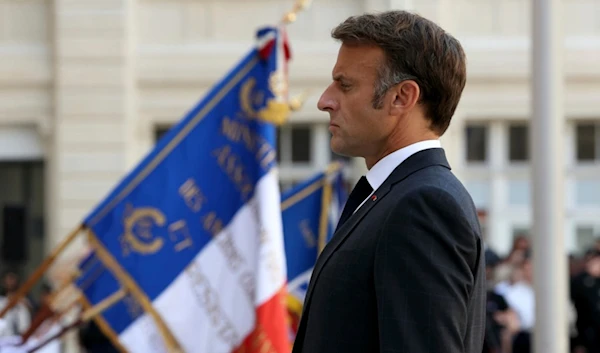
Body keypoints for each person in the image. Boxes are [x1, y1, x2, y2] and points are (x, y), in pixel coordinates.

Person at [291, 10, 486, 353]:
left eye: (345, 85)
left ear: (401, 97)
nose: (325, 101)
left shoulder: (423, 205)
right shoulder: (398, 196)